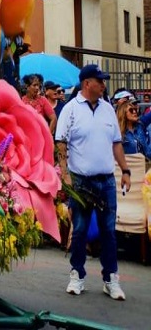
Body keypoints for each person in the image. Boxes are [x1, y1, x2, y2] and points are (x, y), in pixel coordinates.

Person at [55, 64, 131, 300]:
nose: (104, 85)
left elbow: (116, 143)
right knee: (79, 231)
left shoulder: (108, 109)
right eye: (100, 81)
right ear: (88, 83)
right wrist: (65, 174)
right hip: (81, 181)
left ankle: (111, 278)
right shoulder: (70, 110)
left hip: (106, 181)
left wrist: (126, 170)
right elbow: (61, 142)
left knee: (109, 231)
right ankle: (77, 275)